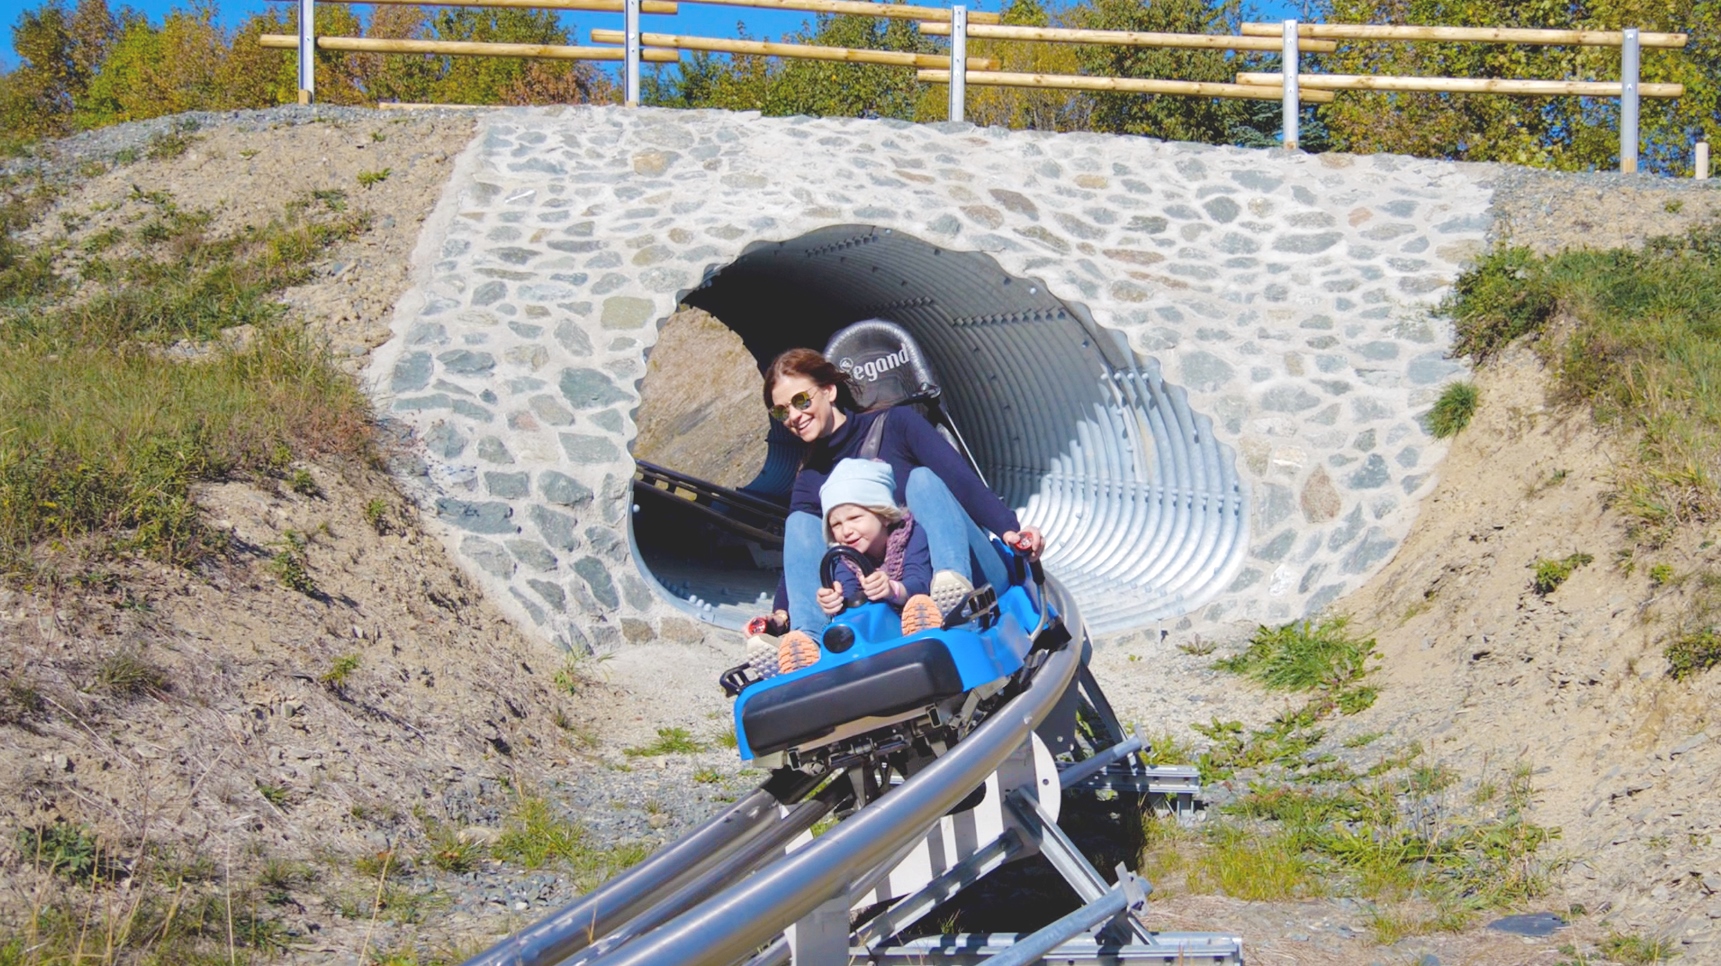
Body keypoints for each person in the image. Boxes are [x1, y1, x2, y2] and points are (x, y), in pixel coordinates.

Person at [757, 346, 1044, 636]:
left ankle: (951, 590)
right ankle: (807, 636)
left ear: (829, 391)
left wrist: (1010, 530)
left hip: (973, 575)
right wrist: (781, 614)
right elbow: (801, 553)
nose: (794, 416)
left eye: (801, 400)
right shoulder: (810, 478)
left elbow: (962, 483)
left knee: (921, 479)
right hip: (895, 599)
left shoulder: (897, 425)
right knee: (799, 522)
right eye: (781, 411)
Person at [812, 459, 942, 637]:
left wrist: (892, 590)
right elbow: (849, 592)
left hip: (920, 610)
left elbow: (920, 581)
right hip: (882, 626)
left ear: (884, 516)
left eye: (854, 518)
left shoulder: (911, 534)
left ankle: (920, 623)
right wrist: (835, 600)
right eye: (836, 524)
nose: (846, 531)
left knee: (919, 601)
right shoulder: (845, 559)